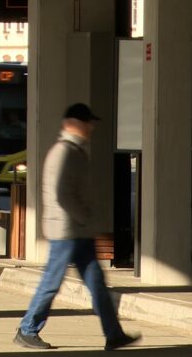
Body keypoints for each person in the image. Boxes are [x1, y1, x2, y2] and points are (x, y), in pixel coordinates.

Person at [13, 103, 141, 351]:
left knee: (97, 284)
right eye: (87, 122)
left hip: (77, 231)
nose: (91, 127)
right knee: (52, 282)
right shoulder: (64, 152)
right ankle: (28, 329)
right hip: (66, 232)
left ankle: (114, 334)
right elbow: (62, 193)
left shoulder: (75, 151)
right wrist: (83, 216)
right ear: (73, 123)